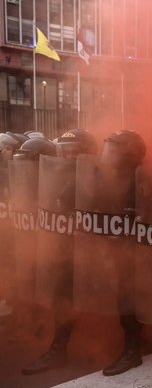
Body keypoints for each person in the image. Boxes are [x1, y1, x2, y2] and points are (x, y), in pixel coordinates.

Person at [20, 129, 97, 374]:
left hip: (99, 252)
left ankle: (133, 346)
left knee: (120, 296)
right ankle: (58, 348)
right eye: (66, 152)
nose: (71, 157)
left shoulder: (99, 175)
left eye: (77, 152)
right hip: (68, 249)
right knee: (63, 294)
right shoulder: (54, 175)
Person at [98, 130, 147, 376]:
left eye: (115, 150)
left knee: (130, 299)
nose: (108, 155)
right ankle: (133, 343)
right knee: (124, 298)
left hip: (136, 253)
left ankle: (132, 351)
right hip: (117, 249)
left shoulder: (141, 179)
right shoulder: (108, 177)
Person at [0, 132, 26, 317]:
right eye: (6, 149)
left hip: (12, 229)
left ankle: (12, 303)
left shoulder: (14, 171)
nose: (9, 153)